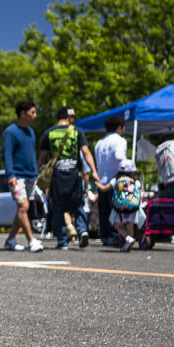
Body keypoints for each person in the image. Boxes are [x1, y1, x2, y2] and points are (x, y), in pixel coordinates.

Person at [39, 105, 100, 250]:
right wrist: (94, 171)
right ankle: (82, 230)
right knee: (77, 205)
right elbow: (86, 152)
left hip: (57, 177)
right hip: (74, 175)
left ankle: (62, 241)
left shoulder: (49, 133)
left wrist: (38, 175)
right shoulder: (77, 132)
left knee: (58, 207)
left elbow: (42, 157)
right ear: (69, 117)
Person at [1, 99, 43, 252]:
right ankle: (31, 241)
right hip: (17, 176)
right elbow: (7, 155)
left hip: (30, 176)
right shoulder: (10, 132)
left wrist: (35, 173)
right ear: (23, 114)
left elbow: (31, 154)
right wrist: (10, 174)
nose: (35, 115)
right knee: (23, 206)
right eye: (32, 112)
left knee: (22, 209)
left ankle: (10, 240)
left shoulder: (30, 132)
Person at [93, 116, 128, 246]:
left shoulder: (99, 143)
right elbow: (120, 157)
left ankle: (105, 236)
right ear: (119, 127)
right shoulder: (120, 141)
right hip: (115, 182)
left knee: (104, 212)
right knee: (116, 212)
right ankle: (116, 236)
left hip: (101, 181)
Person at [111, 159, 145, 252]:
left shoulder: (115, 181)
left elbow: (108, 189)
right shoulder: (135, 182)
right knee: (130, 225)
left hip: (120, 208)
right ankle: (129, 244)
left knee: (117, 225)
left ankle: (128, 239)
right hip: (133, 207)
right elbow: (139, 194)